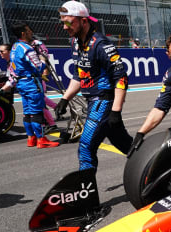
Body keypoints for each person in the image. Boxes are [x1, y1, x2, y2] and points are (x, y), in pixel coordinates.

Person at [55, 1, 132, 170]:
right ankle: (153, 165)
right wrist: (65, 99)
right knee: (125, 145)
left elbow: (121, 77)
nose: (65, 27)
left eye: (69, 22)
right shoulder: (74, 42)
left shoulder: (101, 44)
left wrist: (116, 111)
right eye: (63, 22)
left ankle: (86, 192)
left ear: (83, 20)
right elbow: (79, 74)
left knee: (85, 147)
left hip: (103, 101)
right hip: (91, 101)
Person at [10, 23, 59, 148]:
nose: (31, 33)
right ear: (23, 33)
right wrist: (43, 59)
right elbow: (38, 66)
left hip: (21, 83)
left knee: (27, 112)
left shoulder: (15, 47)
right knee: (37, 112)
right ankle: (41, 139)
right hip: (31, 82)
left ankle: (31, 138)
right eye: (28, 31)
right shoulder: (26, 48)